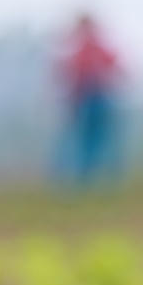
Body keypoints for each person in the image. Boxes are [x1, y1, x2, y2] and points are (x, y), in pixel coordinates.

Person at [54, 13, 124, 185]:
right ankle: (86, 177)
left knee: (97, 139)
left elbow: (115, 66)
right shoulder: (81, 51)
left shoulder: (90, 50)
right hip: (86, 101)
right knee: (86, 140)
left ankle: (94, 177)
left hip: (97, 100)